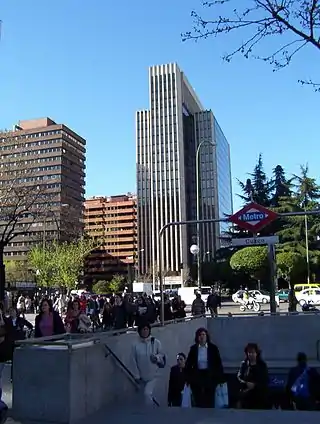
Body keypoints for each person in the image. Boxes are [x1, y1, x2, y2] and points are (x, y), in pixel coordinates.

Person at [185, 327, 224, 408]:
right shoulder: (194, 349)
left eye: (203, 334)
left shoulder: (213, 348)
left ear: (206, 336)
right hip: (198, 374)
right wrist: (189, 378)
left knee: (209, 398)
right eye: (200, 335)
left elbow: (218, 363)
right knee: (198, 398)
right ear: (197, 337)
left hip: (209, 375)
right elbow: (188, 364)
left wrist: (218, 378)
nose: (202, 337)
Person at [131, 322, 165, 406]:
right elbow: (133, 360)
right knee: (143, 398)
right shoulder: (135, 345)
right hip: (142, 377)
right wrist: (136, 375)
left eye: (146, 329)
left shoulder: (156, 342)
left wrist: (156, 358)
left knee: (147, 394)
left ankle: (150, 413)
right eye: (143, 329)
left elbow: (162, 355)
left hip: (154, 375)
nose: (145, 331)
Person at [237, 343, 269, 409]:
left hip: (259, 397)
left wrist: (255, 385)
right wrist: (246, 383)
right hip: (246, 397)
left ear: (256, 353)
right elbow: (239, 377)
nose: (251, 354)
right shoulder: (244, 364)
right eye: (249, 353)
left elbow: (265, 380)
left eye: (253, 352)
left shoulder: (262, 365)